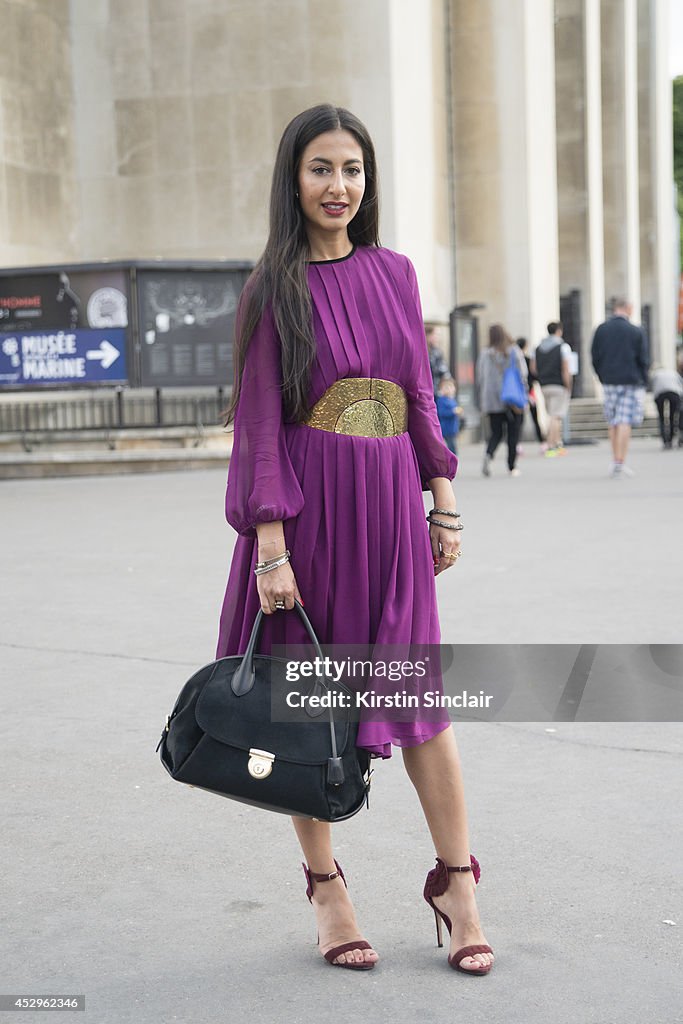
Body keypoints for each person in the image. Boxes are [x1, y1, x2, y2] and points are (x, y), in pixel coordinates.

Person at [216, 105, 494, 975]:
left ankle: (457, 883)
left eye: (352, 170)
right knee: (307, 708)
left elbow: (415, 392)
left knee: (421, 710)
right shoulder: (272, 286)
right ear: (291, 181)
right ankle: (326, 889)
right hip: (305, 517)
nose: (338, 187)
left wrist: (441, 498)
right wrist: (270, 545)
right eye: (320, 170)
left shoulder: (395, 273)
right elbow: (260, 421)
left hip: (386, 515)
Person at [591, 298, 649, 477]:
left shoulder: (601, 330)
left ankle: (614, 458)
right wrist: (643, 380)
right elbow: (643, 359)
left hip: (609, 380)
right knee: (624, 420)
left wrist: (601, 376)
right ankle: (620, 461)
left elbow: (594, 355)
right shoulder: (636, 331)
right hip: (630, 380)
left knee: (613, 421)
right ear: (627, 308)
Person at [476, 323, 528, 477]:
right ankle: (512, 467)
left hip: (492, 400)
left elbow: (480, 378)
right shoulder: (514, 351)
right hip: (512, 399)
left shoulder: (485, 354)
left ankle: (489, 455)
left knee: (496, 433)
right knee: (513, 434)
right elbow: (522, 374)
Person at [532, 322, 572, 457]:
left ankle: (557, 443)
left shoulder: (537, 348)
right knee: (556, 416)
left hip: (543, 385)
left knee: (552, 415)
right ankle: (551, 446)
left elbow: (533, 368)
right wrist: (568, 385)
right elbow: (566, 369)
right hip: (558, 384)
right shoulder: (563, 347)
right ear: (559, 331)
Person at [516, 337, 545, 447]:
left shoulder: (513, 361)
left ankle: (518, 445)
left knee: (519, 421)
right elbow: (534, 375)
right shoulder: (528, 360)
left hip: (519, 395)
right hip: (530, 393)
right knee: (535, 419)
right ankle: (542, 443)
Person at [650, 364, 683, 448]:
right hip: (674, 393)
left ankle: (666, 441)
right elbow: (680, 383)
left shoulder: (656, 374)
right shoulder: (673, 373)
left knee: (661, 418)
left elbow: (652, 386)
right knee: (672, 417)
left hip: (660, 393)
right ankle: (671, 438)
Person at [435, 376, 463, 455]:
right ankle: (451, 461)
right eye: (445, 387)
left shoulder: (452, 400)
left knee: (452, 446)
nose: (448, 389)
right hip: (446, 428)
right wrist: (453, 412)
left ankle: (452, 461)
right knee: (451, 447)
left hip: (453, 428)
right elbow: (441, 413)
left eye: (450, 386)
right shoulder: (441, 400)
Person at [426, 324, 450, 395]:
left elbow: (444, 371)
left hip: (437, 392)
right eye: (436, 335)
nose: (438, 338)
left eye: (439, 335)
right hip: (427, 392)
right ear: (428, 335)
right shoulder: (423, 352)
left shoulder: (437, 352)